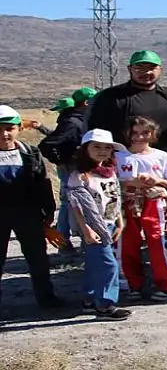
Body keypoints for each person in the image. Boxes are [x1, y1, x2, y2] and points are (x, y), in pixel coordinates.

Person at [0, 105, 64, 316]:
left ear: (19, 128)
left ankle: (46, 298)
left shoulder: (29, 153)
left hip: (28, 214)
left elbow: (42, 183)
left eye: (9, 128)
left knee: (38, 259)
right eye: (0, 129)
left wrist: (48, 211)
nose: (5, 134)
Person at [86, 50, 167, 165]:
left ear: (160, 69)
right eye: (139, 68)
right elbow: (94, 133)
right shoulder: (110, 97)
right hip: (126, 170)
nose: (146, 72)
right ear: (129, 69)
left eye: (152, 68)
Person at [68, 129, 131, 320]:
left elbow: (114, 197)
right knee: (108, 264)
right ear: (86, 149)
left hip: (110, 222)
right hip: (93, 226)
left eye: (106, 147)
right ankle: (105, 304)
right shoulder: (80, 175)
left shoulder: (109, 172)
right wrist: (85, 228)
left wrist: (120, 221)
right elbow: (76, 205)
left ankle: (89, 299)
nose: (102, 151)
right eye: (96, 147)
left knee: (95, 262)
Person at [116, 116, 167, 300]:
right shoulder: (119, 156)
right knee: (127, 244)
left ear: (153, 134)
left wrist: (156, 180)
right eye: (134, 132)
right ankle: (132, 284)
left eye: (145, 132)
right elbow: (112, 181)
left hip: (154, 201)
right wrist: (130, 182)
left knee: (158, 241)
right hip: (128, 203)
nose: (139, 137)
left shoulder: (161, 156)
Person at [41, 93, 94, 251]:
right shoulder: (72, 122)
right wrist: (62, 161)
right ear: (86, 103)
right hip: (72, 168)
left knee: (72, 203)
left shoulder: (75, 120)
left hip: (76, 166)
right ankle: (64, 242)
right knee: (69, 203)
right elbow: (48, 144)